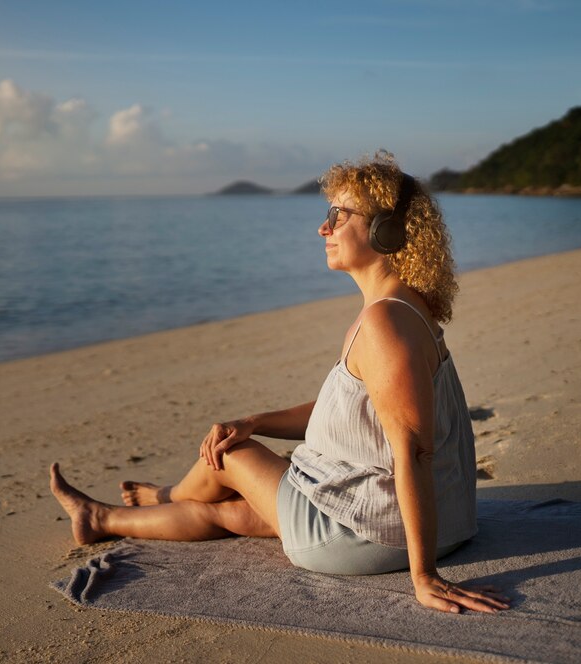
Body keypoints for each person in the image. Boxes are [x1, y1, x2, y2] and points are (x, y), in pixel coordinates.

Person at [50, 151, 509, 614]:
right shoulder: (408, 308)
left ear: (384, 231)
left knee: (226, 455)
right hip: (440, 526)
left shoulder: (386, 323)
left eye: (338, 214)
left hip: (372, 535)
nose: (323, 228)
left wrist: (424, 576)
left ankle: (164, 495)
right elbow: (357, 411)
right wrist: (256, 420)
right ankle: (103, 518)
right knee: (231, 512)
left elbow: (413, 451)